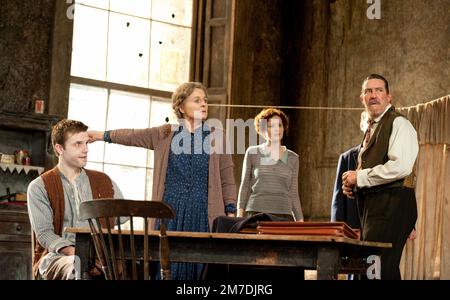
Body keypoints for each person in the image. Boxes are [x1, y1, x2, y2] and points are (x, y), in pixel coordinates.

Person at [88, 82, 237, 280]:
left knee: (202, 272)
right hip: (169, 214)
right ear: (181, 107)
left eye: (205, 101)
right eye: (197, 100)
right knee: (168, 270)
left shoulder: (218, 137)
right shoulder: (164, 134)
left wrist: (231, 211)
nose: (204, 104)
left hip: (204, 215)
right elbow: (133, 135)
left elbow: (227, 177)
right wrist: (100, 135)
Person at [342, 74, 418, 280]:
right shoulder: (371, 128)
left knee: (377, 268)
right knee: (375, 268)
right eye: (368, 91)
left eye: (378, 90)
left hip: (391, 204)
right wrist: (354, 184)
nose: (373, 95)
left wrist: (360, 177)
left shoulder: (399, 123)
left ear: (388, 97)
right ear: (362, 98)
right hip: (376, 207)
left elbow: (400, 167)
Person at [28, 119, 124, 280]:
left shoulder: (104, 180)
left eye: (86, 143)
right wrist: (78, 253)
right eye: (77, 144)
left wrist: (103, 253)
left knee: (137, 266)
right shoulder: (39, 186)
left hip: (100, 256)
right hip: (58, 257)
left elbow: (123, 216)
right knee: (78, 265)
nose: (85, 149)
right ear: (59, 148)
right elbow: (45, 234)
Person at [237, 108, 303, 221]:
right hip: (255, 214)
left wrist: (300, 221)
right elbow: (245, 186)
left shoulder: (293, 158)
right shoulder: (252, 152)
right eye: (271, 126)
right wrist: (239, 216)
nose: (276, 129)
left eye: (280, 125)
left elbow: (293, 193)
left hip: (284, 216)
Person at [331, 112, 368, 230]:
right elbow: (338, 200)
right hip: (352, 226)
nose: (370, 127)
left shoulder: (386, 157)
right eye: (368, 122)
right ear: (362, 125)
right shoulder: (346, 158)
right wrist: (336, 229)